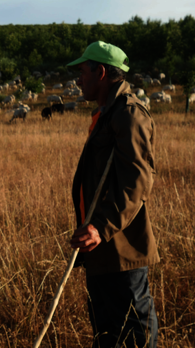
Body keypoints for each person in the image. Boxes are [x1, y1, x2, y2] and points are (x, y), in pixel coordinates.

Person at [67, 41, 159, 347]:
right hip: (101, 248)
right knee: (107, 336)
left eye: (82, 71)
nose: (78, 79)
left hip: (121, 252)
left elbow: (137, 182)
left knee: (134, 337)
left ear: (101, 72)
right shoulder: (106, 113)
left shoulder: (129, 115)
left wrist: (99, 227)